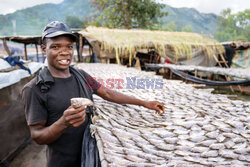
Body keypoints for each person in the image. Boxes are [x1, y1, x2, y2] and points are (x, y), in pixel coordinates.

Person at [21, 21, 165, 167]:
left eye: (69, 47)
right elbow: (37, 136)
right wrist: (63, 123)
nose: (64, 52)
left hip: (90, 155)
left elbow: (107, 93)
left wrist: (144, 103)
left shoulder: (81, 75)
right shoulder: (35, 89)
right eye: (56, 47)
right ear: (44, 49)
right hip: (63, 161)